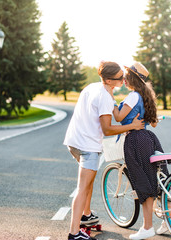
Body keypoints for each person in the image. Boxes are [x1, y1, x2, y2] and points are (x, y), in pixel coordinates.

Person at [63, 61, 145, 240]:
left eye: (123, 75)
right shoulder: (105, 98)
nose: (124, 79)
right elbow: (107, 129)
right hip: (88, 147)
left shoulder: (94, 87)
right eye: (119, 78)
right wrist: (133, 125)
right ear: (108, 80)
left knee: (88, 181)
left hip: (74, 141)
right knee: (83, 187)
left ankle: (86, 215)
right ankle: (74, 233)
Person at [108, 62, 169, 240]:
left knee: (143, 182)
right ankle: (168, 220)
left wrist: (110, 98)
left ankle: (147, 227)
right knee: (157, 180)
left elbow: (118, 117)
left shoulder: (133, 96)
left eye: (126, 75)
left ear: (132, 78)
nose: (124, 79)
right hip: (148, 138)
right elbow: (154, 123)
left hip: (135, 140)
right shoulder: (145, 96)